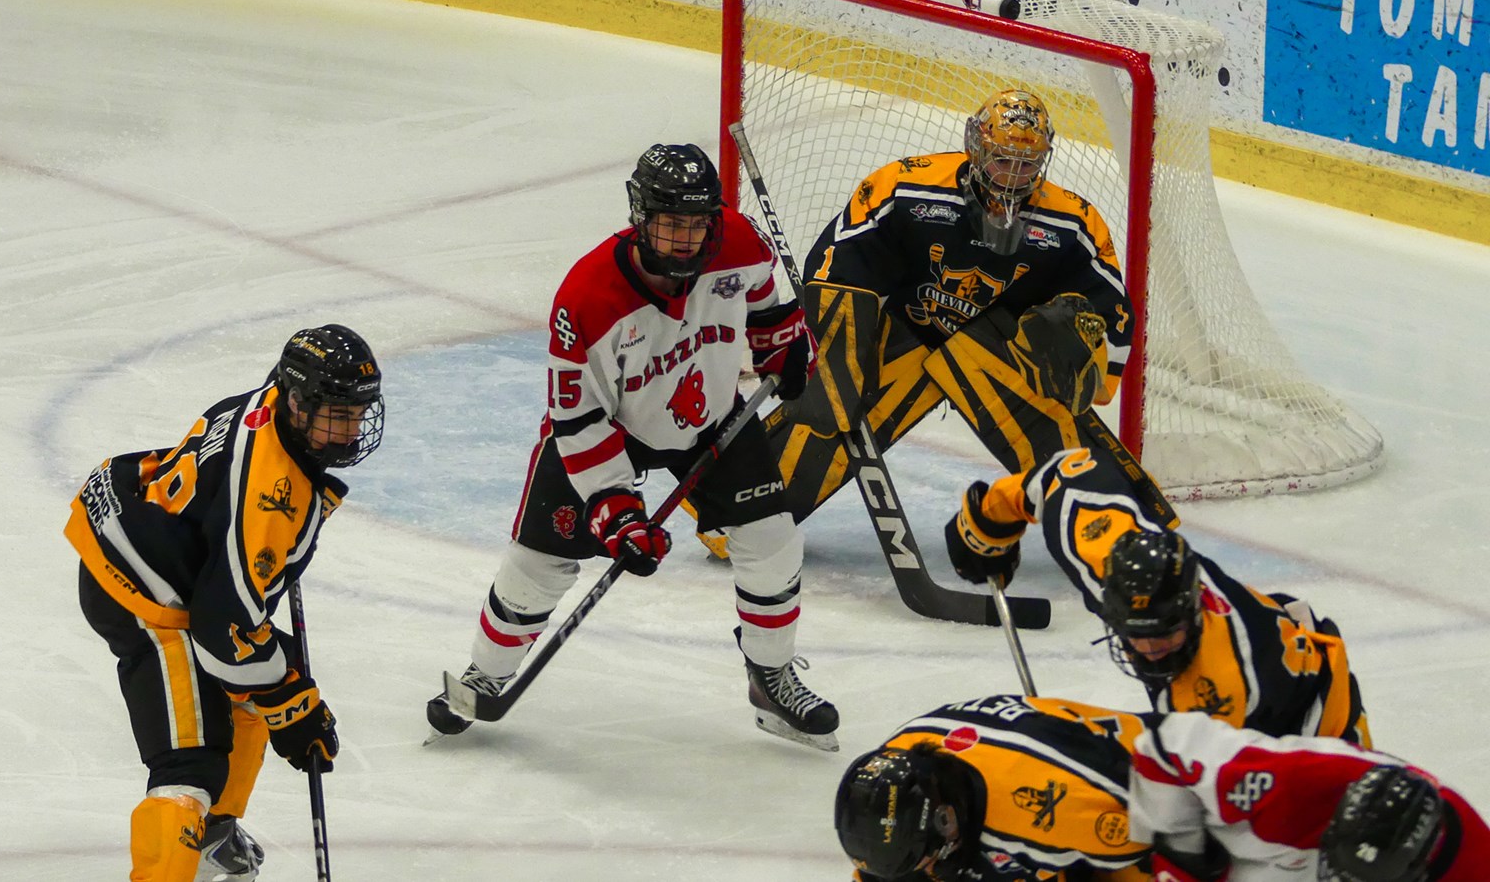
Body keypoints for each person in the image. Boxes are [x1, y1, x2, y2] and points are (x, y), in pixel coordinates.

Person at [423, 143, 837, 750]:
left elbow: (768, 302)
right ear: (641, 218)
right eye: (671, 224)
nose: (685, 240)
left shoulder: (740, 244)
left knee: (773, 540)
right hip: (611, 425)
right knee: (539, 563)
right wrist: (615, 509)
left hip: (711, 415)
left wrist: (783, 344)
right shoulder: (585, 298)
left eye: (697, 224)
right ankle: (487, 672)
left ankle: (769, 677)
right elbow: (579, 417)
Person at [699, 89, 1132, 558]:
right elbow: (838, 264)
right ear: (976, 147)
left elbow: (1113, 317)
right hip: (908, 335)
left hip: (999, 351)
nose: (1013, 175)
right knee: (833, 404)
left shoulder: (1074, 223)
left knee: (1052, 422)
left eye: (1027, 164)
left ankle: (1111, 533)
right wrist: (832, 350)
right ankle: (740, 518)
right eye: (1002, 159)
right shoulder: (906, 188)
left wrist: (1083, 347)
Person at [64, 324, 384, 882]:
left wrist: (281, 690)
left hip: (166, 560)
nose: (353, 428)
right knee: (189, 764)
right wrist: (291, 703)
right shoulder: (269, 496)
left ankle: (211, 837)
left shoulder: (274, 404)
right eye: (339, 412)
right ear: (300, 403)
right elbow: (223, 632)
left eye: (359, 412)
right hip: (144, 594)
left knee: (259, 685)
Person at [944, 447, 1370, 746]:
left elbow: (1198, 829)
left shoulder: (1212, 701)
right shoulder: (1107, 555)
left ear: (1194, 611)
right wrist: (988, 519)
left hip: (1316, 717)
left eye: (1165, 637)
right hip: (1268, 642)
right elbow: (1069, 473)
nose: (1150, 652)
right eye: (1136, 636)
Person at [1127, 711, 1488, 881]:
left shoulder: (1476, 865)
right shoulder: (1295, 783)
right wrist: (1185, 862)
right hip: (1249, 839)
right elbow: (1163, 747)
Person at [834, 694, 1154, 881]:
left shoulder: (1070, 805)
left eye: (925, 858)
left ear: (946, 819)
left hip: (1157, 798)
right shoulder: (900, 764)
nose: (927, 871)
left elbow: (1189, 827)